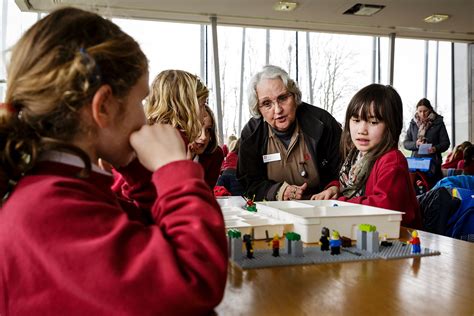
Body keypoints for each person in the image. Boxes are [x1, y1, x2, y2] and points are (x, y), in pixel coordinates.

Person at [0, 7, 227, 314]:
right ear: (103, 106)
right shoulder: (48, 210)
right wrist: (176, 172)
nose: (144, 116)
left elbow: (154, 233)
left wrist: (137, 169)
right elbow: (195, 282)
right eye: (140, 100)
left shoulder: (68, 189)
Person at [312, 84, 421, 229]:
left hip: (398, 238)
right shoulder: (356, 155)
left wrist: (339, 203)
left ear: (391, 126)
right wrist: (334, 189)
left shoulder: (392, 160)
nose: (362, 130)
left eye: (373, 122)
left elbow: (385, 207)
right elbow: (351, 185)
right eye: (356, 120)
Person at [237, 65, 342, 201]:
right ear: (258, 109)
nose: (278, 110)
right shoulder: (251, 134)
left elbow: (343, 168)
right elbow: (248, 183)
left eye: (283, 98)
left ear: (295, 97)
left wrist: (334, 187)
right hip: (273, 209)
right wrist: (277, 191)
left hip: (322, 206)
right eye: (267, 103)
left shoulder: (323, 123)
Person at [403, 98, 450, 184]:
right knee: (417, 193)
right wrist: (416, 144)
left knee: (433, 192)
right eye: (420, 111)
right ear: (417, 111)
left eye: (425, 111)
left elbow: (446, 143)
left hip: (433, 165)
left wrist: (435, 148)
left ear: (430, 110)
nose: (422, 114)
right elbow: (405, 143)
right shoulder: (413, 124)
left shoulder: (438, 123)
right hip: (415, 166)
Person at [189, 105, 224, 188]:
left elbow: (207, 192)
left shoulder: (216, 154)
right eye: (197, 128)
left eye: (208, 130)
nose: (204, 137)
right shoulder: (171, 152)